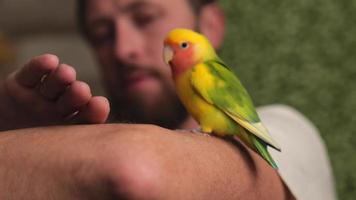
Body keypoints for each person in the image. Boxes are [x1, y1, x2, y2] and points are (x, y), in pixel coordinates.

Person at [0, 0, 335, 199]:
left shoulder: (291, 130)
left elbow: (134, 169)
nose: (122, 49)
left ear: (210, 25)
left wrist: (29, 150)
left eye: (145, 18)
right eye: (102, 34)